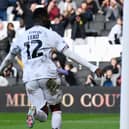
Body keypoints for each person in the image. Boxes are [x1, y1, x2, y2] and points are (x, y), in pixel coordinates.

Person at [0, 7, 102, 129]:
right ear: (44, 18)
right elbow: (70, 54)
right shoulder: (50, 34)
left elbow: (9, 57)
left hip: (29, 79)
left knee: (43, 113)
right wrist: (92, 67)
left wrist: (0, 69)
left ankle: (34, 112)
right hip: (49, 77)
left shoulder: (22, 36)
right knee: (56, 109)